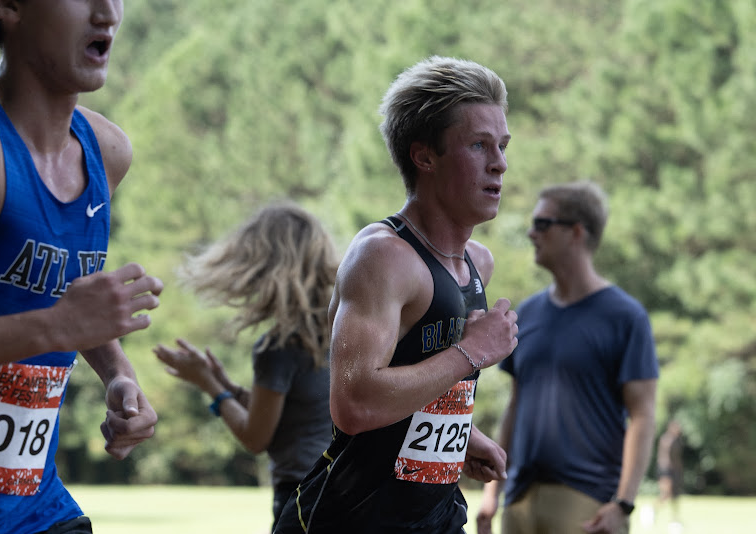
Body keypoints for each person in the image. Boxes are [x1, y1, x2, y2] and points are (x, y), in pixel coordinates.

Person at [273, 55, 519, 534]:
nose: (500, 164)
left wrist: (461, 436)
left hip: (436, 518)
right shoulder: (384, 257)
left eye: (503, 146)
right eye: (478, 145)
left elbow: (412, 377)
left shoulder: (477, 263)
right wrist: (472, 352)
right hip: (349, 520)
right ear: (424, 156)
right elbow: (355, 405)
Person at [0, 1, 164, 533]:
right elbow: (59, 318)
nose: (108, 13)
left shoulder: (107, 150)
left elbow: (61, 294)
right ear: (9, 5)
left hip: (35, 507)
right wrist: (55, 328)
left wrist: (118, 373)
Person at [475, 181, 659, 534]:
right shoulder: (527, 313)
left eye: (542, 223)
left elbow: (643, 415)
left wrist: (623, 504)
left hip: (588, 505)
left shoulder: (625, 317)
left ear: (576, 232)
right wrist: (491, 494)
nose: (530, 233)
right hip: (520, 501)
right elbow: (516, 405)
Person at [153, 201, 338, 532]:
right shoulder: (341, 331)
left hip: (300, 498)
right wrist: (229, 386)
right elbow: (292, 413)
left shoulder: (279, 346)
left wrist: (210, 386)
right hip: (346, 493)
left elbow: (256, 437)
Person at [656, 419, 683, 524]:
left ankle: (675, 518)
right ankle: (652, 511)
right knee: (666, 493)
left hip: (674, 471)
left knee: (675, 495)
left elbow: (677, 458)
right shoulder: (666, 439)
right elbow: (665, 457)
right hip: (665, 470)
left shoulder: (677, 441)